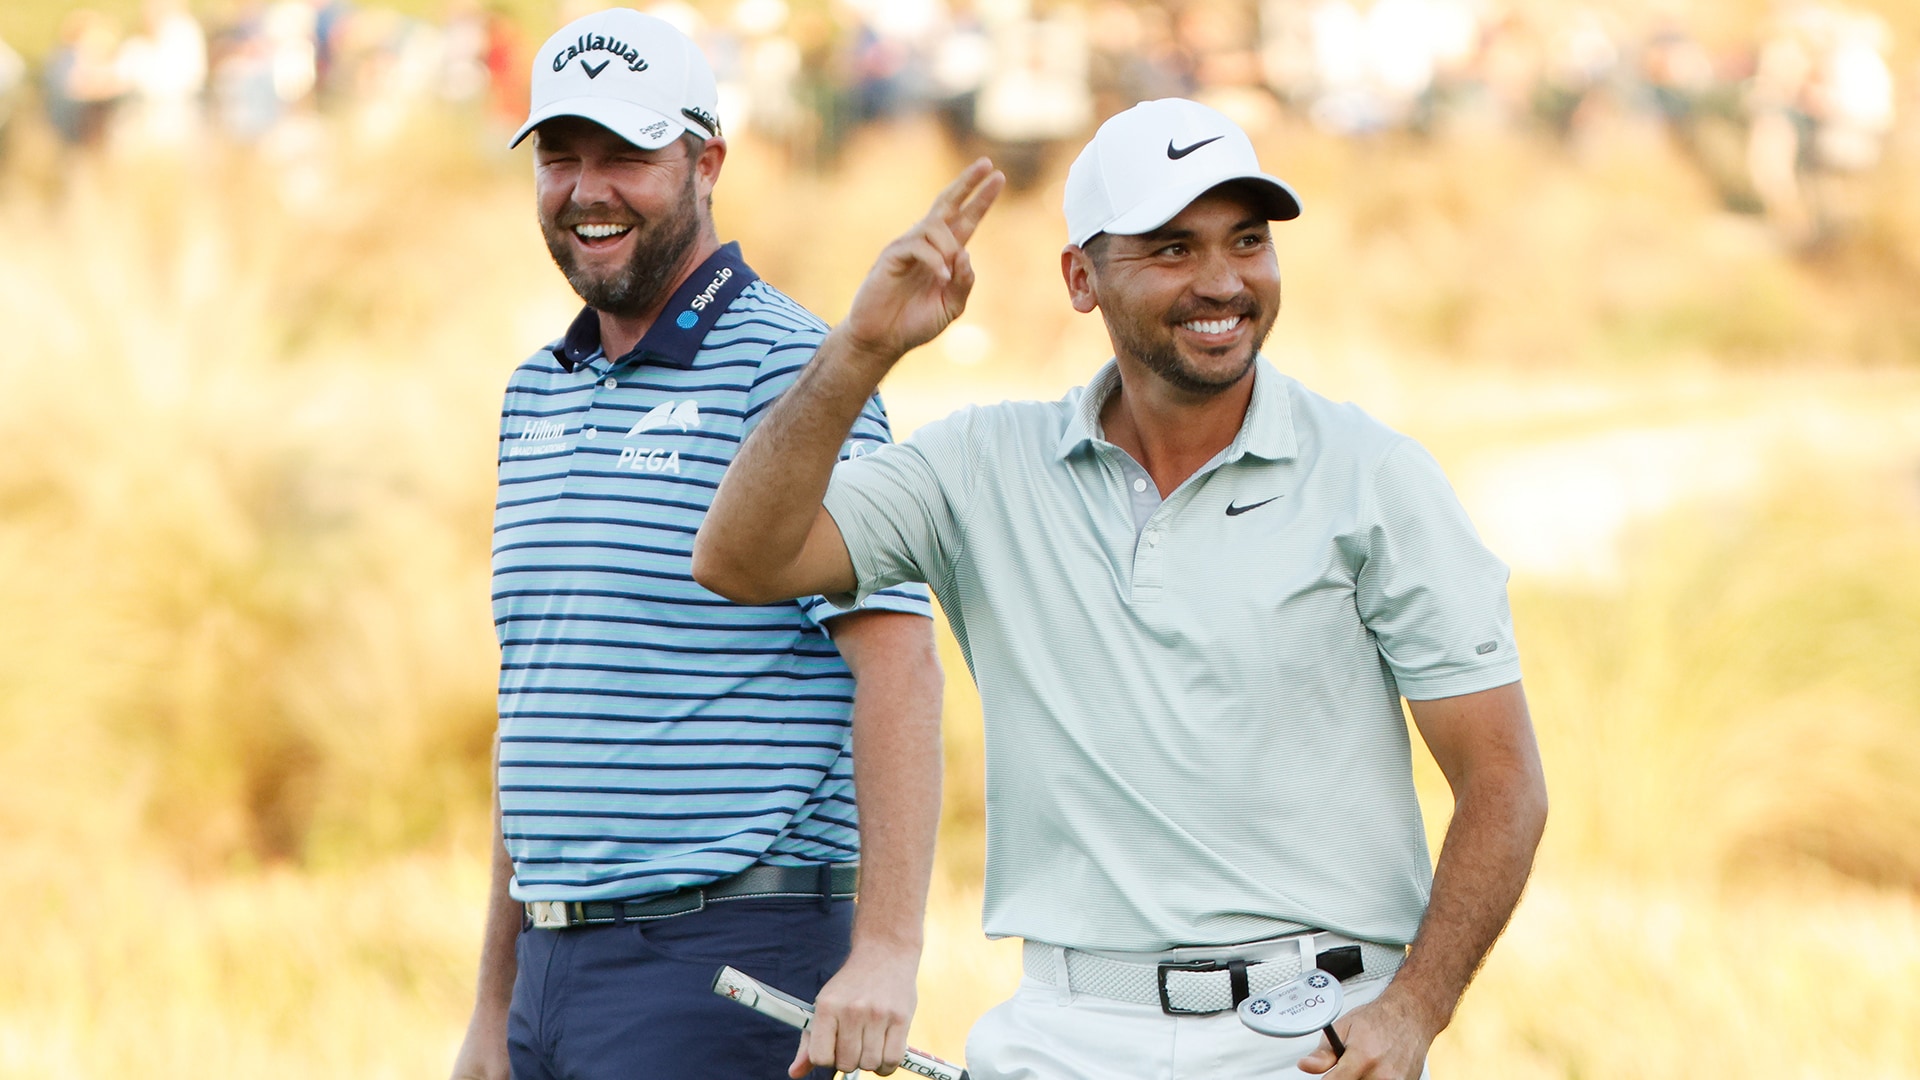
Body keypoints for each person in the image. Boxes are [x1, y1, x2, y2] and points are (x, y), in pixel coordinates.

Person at [694, 97, 1549, 1079]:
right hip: (1063, 1029)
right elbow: (743, 559)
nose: (1223, 281)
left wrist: (1413, 1012)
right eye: (1173, 249)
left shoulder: (1373, 477)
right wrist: (859, 352)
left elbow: (1503, 782)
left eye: (1248, 241)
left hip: (1310, 1034)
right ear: (1080, 278)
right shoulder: (981, 467)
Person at [448, 10, 944, 1080]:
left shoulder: (801, 374)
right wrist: (493, 1006)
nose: (588, 189)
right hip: (550, 969)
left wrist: (889, 954)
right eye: (560, 157)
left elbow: (898, 661)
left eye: (625, 155)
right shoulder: (535, 391)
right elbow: (538, 705)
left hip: (725, 958)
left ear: (706, 159)